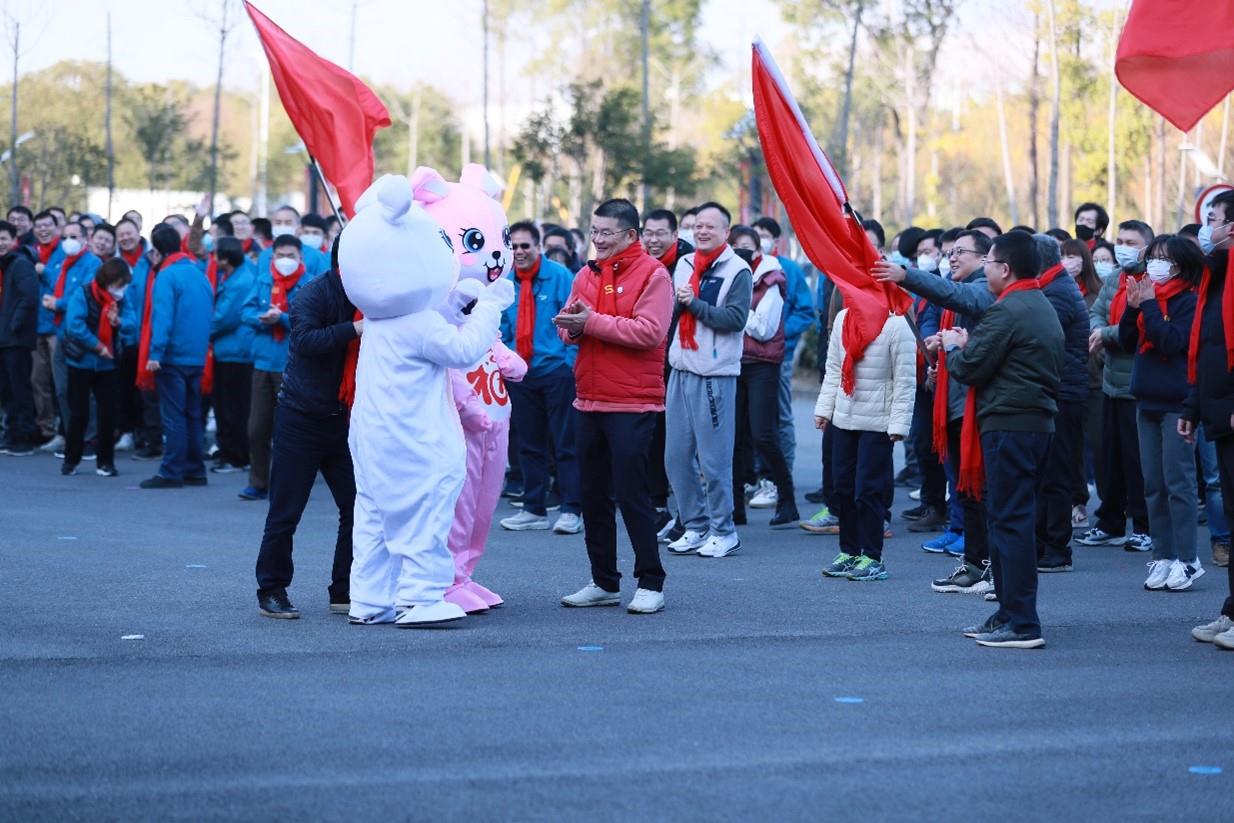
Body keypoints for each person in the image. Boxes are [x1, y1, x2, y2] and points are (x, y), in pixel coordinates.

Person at [946, 231, 1064, 649]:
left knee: (1010, 522)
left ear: (1005, 268)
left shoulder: (1009, 309)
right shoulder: (1036, 303)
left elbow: (971, 368)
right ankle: (1008, 612)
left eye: (989, 262)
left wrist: (954, 348)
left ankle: (1023, 622)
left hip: (1012, 425)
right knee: (1008, 520)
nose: (985, 268)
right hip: (1028, 424)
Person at [555, 198, 672, 614]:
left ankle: (651, 581)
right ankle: (604, 580)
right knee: (592, 496)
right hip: (588, 398)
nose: (598, 240)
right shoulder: (586, 274)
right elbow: (573, 328)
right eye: (594, 231)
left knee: (632, 494)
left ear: (631, 236)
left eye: (606, 233)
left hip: (633, 403)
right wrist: (570, 327)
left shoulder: (654, 274)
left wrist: (590, 323)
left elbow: (650, 332)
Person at [254, 240, 359, 619]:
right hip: (299, 418)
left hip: (342, 420)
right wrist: (354, 328)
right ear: (343, 263)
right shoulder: (312, 294)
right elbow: (305, 340)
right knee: (286, 511)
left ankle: (345, 590)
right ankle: (271, 589)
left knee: (358, 506)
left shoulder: (373, 295)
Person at [663, 202, 753, 557]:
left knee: (714, 460)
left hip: (715, 374)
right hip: (681, 368)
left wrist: (694, 303)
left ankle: (724, 529)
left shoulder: (738, 270)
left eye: (710, 227)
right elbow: (671, 309)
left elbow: (735, 319)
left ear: (726, 232)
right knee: (675, 457)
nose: (702, 231)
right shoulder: (684, 264)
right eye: (698, 225)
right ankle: (696, 525)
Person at [1120, 235, 1203, 591]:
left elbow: (1171, 341)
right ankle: (1164, 555)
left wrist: (1150, 306)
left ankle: (1188, 559)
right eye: (1152, 257)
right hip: (1147, 399)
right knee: (1153, 484)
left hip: (1176, 403)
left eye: (1163, 259)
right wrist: (1133, 307)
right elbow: (1126, 341)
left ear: (1180, 265)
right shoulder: (1148, 297)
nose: (1155, 265)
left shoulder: (1188, 301)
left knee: (1178, 484)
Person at [814, 297, 916, 582]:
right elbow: (833, 369)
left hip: (878, 422)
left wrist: (898, 424)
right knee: (842, 487)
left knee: (868, 491)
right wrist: (825, 410)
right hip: (844, 415)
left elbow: (905, 381)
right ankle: (849, 552)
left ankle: (873, 557)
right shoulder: (844, 318)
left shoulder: (897, 324)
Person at [917, 229, 996, 593]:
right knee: (965, 490)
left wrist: (906, 277)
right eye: (949, 252)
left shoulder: (982, 292)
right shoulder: (962, 299)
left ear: (985, 259)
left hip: (975, 407)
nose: (950, 258)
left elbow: (954, 298)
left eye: (959, 252)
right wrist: (943, 350)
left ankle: (987, 565)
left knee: (979, 491)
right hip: (953, 403)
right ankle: (974, 563)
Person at [498, 221, 582, 534]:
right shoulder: (506, 281)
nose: (519, 252)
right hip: (522, 374)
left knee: (565, 443)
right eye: (514, 247)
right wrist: (508, 363)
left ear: (538, 247)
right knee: (529, 445)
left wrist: (568, 364)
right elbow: (502, 326)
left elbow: (575, 319)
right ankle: (534, 508)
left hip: (556, 372)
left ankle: (571, 508)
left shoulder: (560, 277)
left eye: (525, 246)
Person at [1080, 220, 1155, 551]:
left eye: (1131, 241)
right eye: (1120, 239)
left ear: (1146, 247)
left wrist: (1104, 335)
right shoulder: (1115, 278)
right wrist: (1099, 329)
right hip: (1111, 380)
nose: (1123, 246)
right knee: (1107, 457)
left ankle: (1143, 525)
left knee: (1136, 460)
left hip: (1138, 384)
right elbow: (1097, 312)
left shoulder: (1152, 280)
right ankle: (1110, 521)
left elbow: (1137, 329)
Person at [729, 225, 798, 528]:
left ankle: (787, 499)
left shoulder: (772, 280)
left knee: (762, 434)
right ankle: (734, 508)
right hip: (733, 362)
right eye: (735, 245)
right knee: (734, 437)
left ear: (759, 250)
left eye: (747, 246)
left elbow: (764, 329)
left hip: (762, 365)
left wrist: (736, 308)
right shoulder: (728, 276)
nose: (741, 251)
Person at [1183, 241, 1234, 649]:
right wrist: (1193, 408)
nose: (1206, 235)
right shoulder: (1214, 281)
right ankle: (1232, 611)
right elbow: (1206, 352)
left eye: (1214, 221)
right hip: (1217, 413)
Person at [1031, 234, 1091, 574]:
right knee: (1045, 473)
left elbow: (1034, 333)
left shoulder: (1057, 293)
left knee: (1055, 473)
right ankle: (1043, 543)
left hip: (1063, 394)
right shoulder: (1052, 288)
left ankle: (1056, 547)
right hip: (1056, 390)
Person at [241, 234, 315, 501]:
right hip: (263, 362)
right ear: (272, 257)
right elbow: (245, 313)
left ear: (300, 258)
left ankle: (289, 486)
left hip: (292, 365)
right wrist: (263, 319)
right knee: (257, 427)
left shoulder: (309, 285)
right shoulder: (263, 280)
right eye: (280, 256)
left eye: (290, 256)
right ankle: (258, 482)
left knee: (290, 430)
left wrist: (281, 318)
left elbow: (310, 323)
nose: (285, 261)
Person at [138, 224, 213, 489]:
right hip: (196, 355)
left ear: (157, 251)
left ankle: (171, 470)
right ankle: (195, 468)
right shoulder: (198, 272)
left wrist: (155, 352)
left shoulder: (167, 276)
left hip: (173, 356)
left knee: (173, 415)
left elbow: (163, 318)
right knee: (192, 414)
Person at [752, 216, 815, 501]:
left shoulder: (788, 269)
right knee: (751, 418)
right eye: (756, 235)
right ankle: (753, 474)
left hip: (780, 355)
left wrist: (778, 334)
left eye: (765, 235)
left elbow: (805, 311)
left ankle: (781, 475)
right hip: (746, 357)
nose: (760, 240)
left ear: (776, 241)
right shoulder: (745, 268)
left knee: (780, 416)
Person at [640, 208, 693, 534]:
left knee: (683, 443)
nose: (654, 239)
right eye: (649, 233)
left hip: (684, 360)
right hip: (649, 360)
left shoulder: (688, 263)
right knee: (654, 435)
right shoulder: (642, 263)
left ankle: (690, 515)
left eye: (661, 233)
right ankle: (658, 506)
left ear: (675, 235)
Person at [61, 258, 135, 476]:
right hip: (81, 361)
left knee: (108, 413)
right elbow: (75, 325)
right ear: (107, 281)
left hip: (108, 364)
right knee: (79, 413)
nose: (121, 290)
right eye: (118, 284)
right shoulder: (83, 294)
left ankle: (105, 462)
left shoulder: (121, 300)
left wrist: (118, 322)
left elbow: (133, 322)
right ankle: (71, 459)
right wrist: (97, 346)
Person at [44, 221, 101, 454]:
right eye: (66, 236)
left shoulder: (92, 263)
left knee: (83, 391)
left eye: (74, 236)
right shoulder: (64, 263)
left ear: (85, 239)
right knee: (62, 389)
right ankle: (72, 436)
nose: (69, 241)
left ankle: (89, 438)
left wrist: (58, 304)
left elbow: (85, 295)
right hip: (62, 333)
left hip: (83, 334)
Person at [1060, 239, 1103, 530]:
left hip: (1095, 379)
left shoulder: (1098, 293)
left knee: (1099, 444)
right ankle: (1077, 500)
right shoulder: (1055, 291)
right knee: (1070, 447)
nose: (1068, 261)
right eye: (1062, 256)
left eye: (1073, 256)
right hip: (1066, 380)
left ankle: (1112, 503)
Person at [208, 237, 257, 473]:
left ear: (225, 258)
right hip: (230, 350)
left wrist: (202, 332)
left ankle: (237, 456)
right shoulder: (236, 277)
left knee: (233, 408)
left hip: (235, 353)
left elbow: (224, 318)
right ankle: (230, 452)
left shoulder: (240, 282)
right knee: (228, 406)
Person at [0, 221, 40, 455]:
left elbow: (29, 297)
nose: (0, 244)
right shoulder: (4, 266)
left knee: (20, 388)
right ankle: (11, 434)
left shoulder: (21, 264)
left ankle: (25, 436)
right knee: (6, 391)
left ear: (14, 240)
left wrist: (14, 324)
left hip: (15, 338)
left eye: (4, 238)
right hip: (4, 339)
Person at [29, 209, 64, 447]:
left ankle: (65, 428)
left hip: (56, 326)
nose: (43, 229)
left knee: (60, 381)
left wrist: (45, 271)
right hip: (34, 327)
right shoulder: (30, 252)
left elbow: (62, 285)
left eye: (47, 225)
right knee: (37, 380)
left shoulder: (64, 252)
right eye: (39, 226)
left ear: (56, 228)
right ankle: (46, 428)